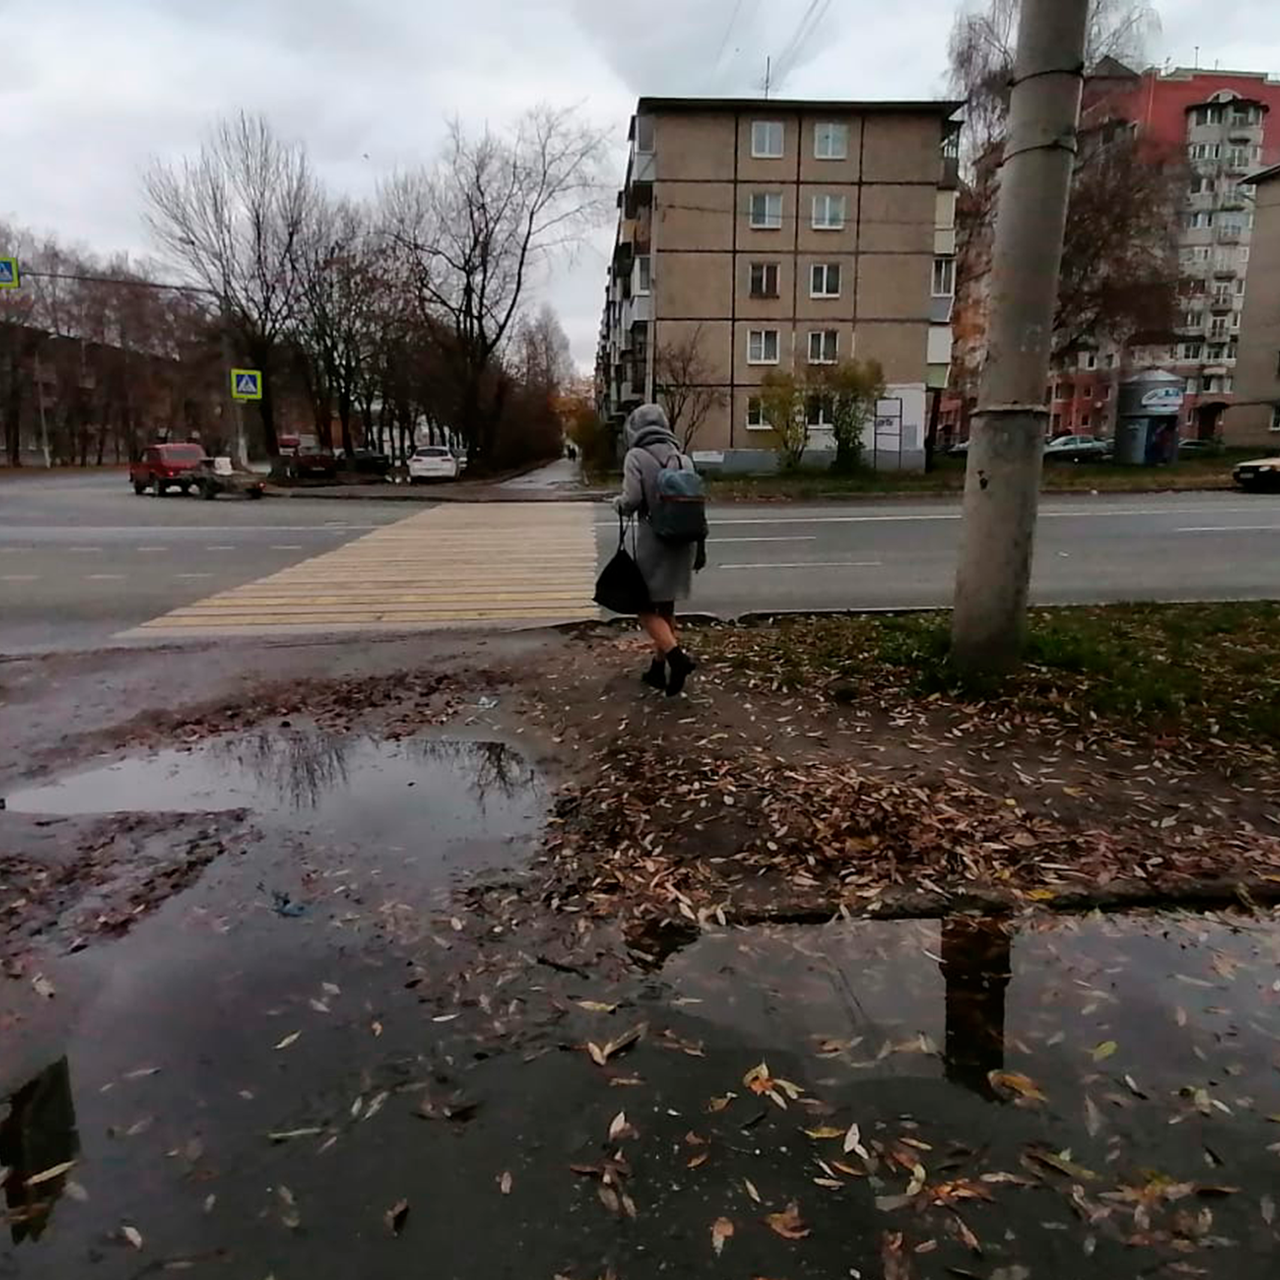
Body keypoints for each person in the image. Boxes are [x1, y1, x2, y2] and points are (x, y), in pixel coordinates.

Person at [615, 404, 705, 696]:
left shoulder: (636, 456)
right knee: (666, 607)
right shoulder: (683, 459)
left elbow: (631, 500)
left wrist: (616, 504)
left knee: (643, 608)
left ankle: (676, 659)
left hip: (655, 542)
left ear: (636, 427)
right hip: (685, 541)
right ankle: (657, 669)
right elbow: (697, 505)